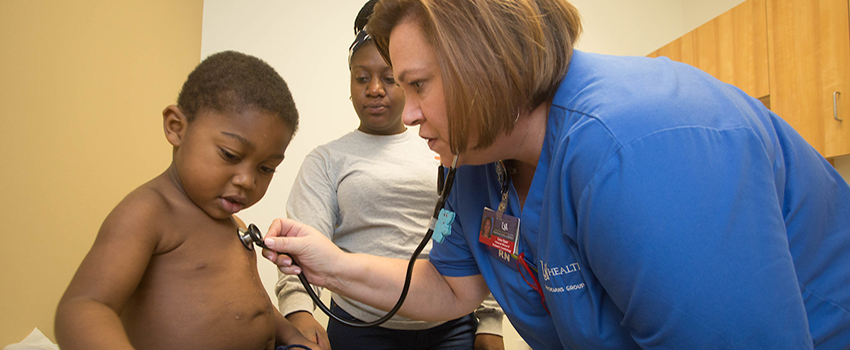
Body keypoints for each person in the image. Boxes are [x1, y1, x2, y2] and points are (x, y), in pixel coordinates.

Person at [262, 0, 850, 348]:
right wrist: (332, 265)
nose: (406, 110)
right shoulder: (478, 163)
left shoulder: (640, 145)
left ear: (486, 65)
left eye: (417, 84)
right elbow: (451, 288)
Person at [55, 51, 320, 350]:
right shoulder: (148, 213)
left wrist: (293, 337)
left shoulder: (234, 224)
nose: (248, 180)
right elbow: (84, 307)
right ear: (176, 127)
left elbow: (254, 305)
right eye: (230, 155)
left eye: (266, 168)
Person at [276, 2, 504, 349]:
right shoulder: (327, 159)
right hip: (360, 324)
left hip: (449, 326)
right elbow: (303, 248)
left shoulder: (446, 149)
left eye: (388, 77)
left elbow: (477, 236)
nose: (374, 89)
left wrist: (490, 323)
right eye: (362, 78)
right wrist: (299, 316)